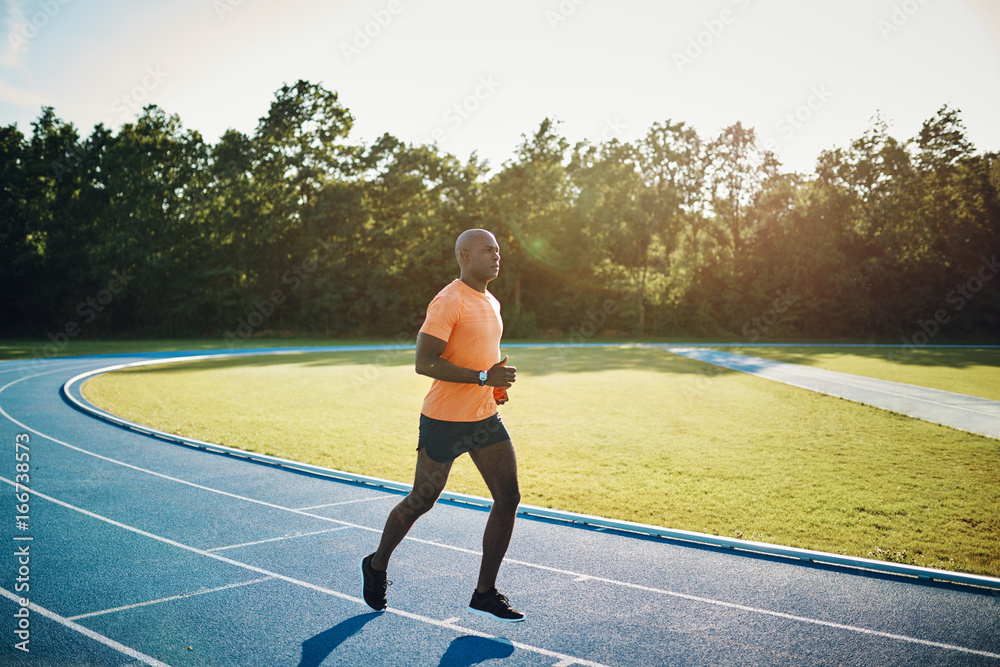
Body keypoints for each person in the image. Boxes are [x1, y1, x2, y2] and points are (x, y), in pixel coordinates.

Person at [361, 228, 524, 622]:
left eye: (498, 251)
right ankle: (377, 564)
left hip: (484, 418)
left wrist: (494, 383)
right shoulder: (449, 300)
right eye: (488, 250)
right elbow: (425, 362)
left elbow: (481, 355)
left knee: (508, 497)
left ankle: (484, 592)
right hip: (444, 420)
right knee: (422, 500)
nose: (496, 256)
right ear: (465, 256)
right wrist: (484, 378)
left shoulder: (492, 301)